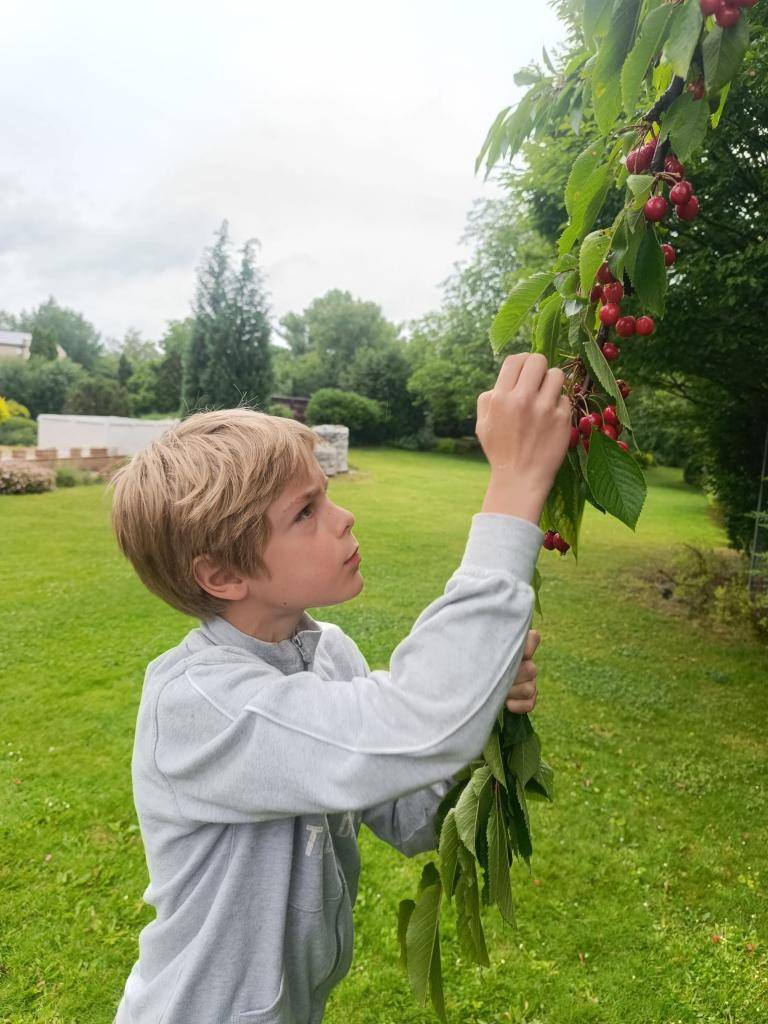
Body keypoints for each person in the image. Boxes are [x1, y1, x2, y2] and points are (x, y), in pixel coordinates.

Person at [107, 351, 572, 1023]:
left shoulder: (329, 656)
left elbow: (413, 819)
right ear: (222, 576)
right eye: (305, 512)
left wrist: (481, 708)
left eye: (326, 494)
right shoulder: (198, 705)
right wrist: (516, 485)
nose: (344, 517)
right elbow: (418, 720)